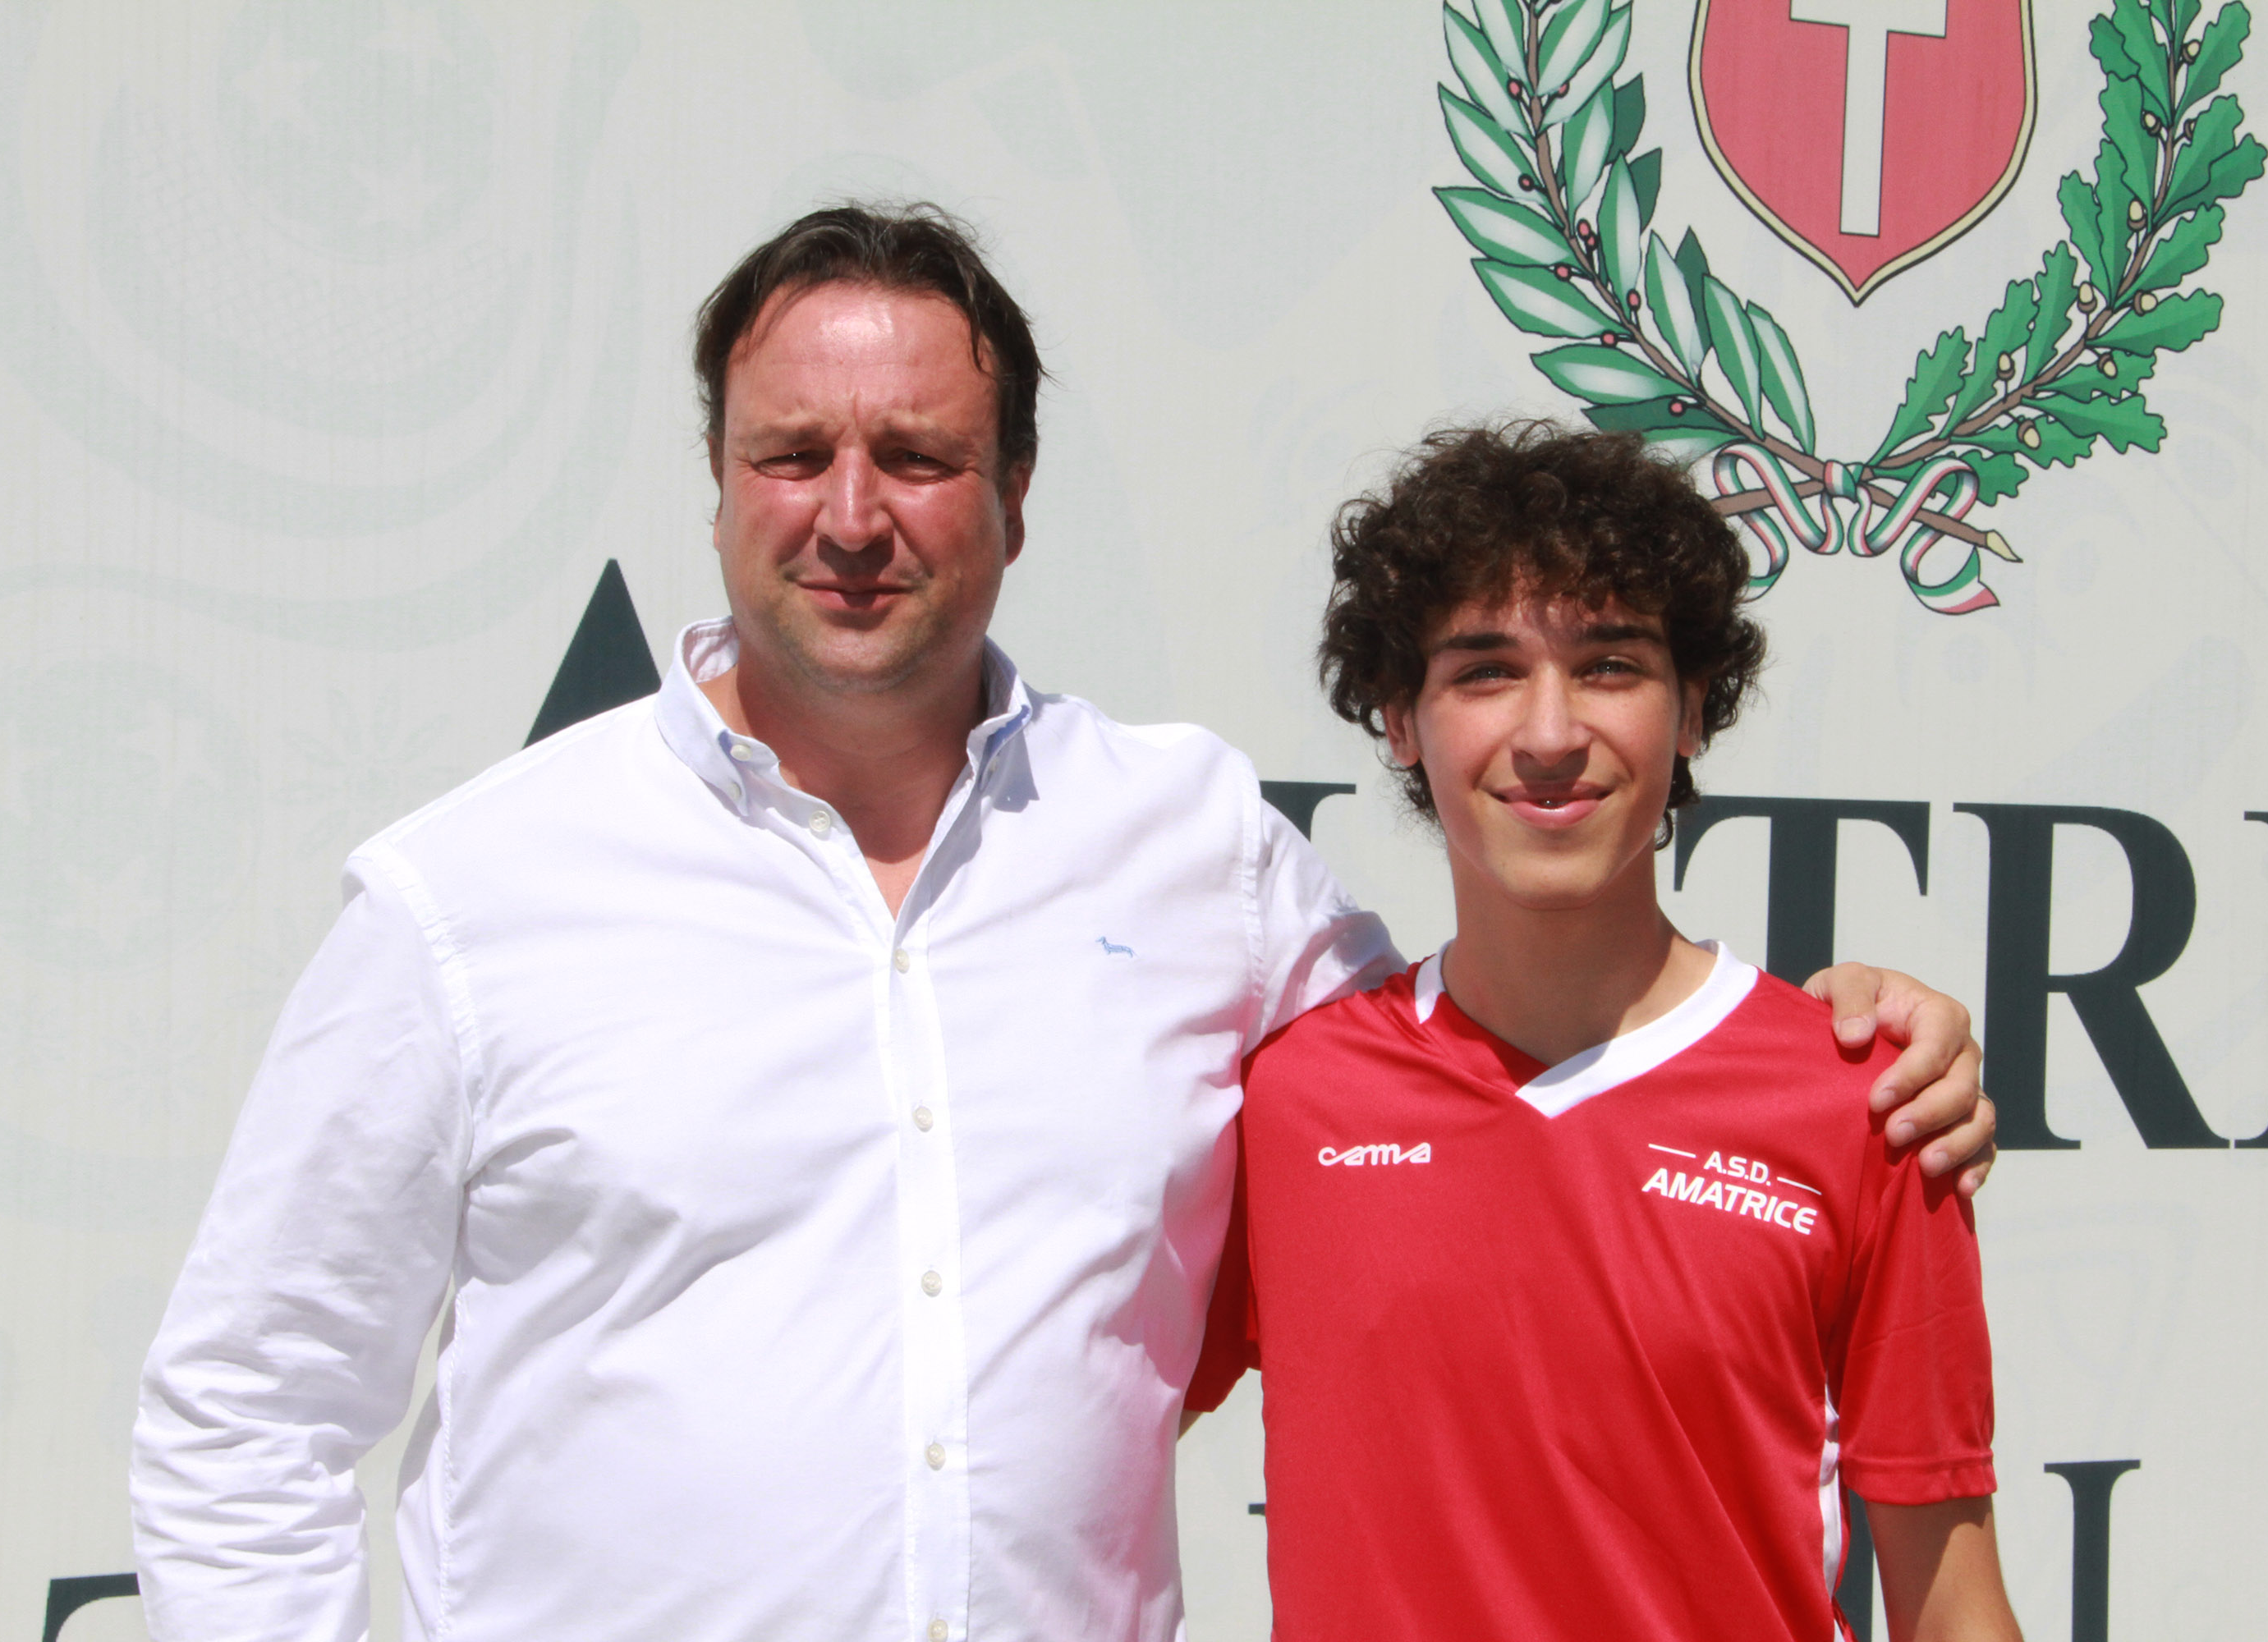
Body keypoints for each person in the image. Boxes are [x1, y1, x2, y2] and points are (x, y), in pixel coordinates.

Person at [131, 205, 1995, 1642]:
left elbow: (1516, 1044)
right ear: (717, 485)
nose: (851, 513)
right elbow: (244, 1412)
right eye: (793, 453)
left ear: (1014, 498)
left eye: (918, 456)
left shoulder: (1191, 848)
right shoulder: (474, 891)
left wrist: (1866, 1036)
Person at [1187, 422, 2022, 1641]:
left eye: (1611, 665)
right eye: (1485, 671)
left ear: (1693, 710)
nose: (1549, 734)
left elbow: (1954, 1610)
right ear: (1400, 720)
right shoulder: (1292, 1100)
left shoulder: (1871, 1104)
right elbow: (1062, 1433)